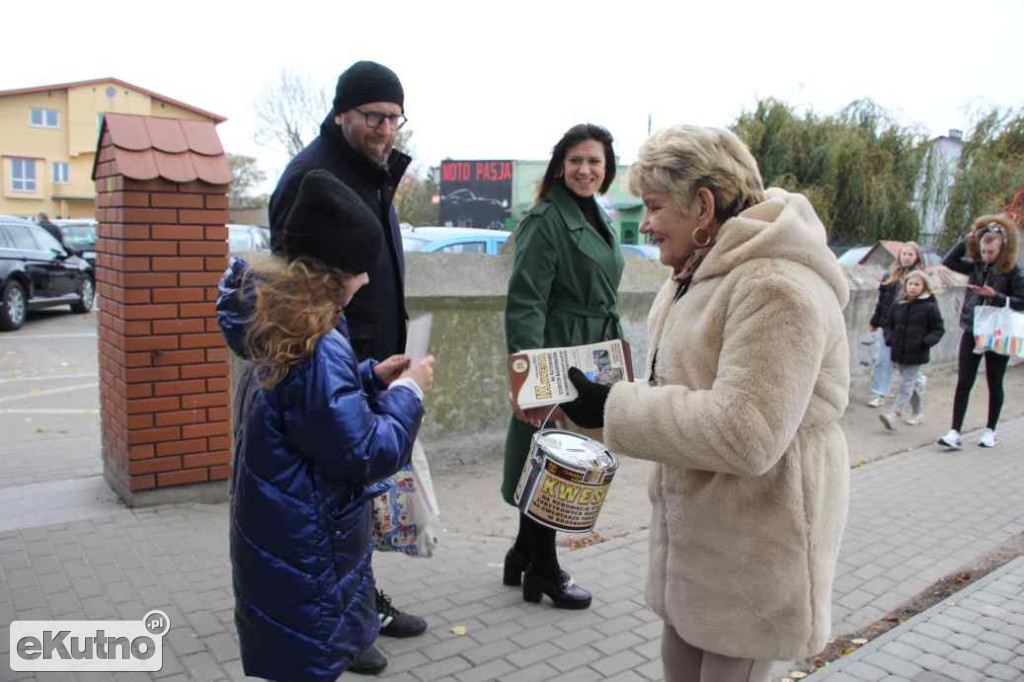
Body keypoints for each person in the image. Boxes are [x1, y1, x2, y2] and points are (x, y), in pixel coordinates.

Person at [561, 125, 850, 682]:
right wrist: (589, 411)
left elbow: (746, 432)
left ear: (704, 206)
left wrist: (614, 409)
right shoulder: (694, 275)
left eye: (653, 207)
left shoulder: (774, 285)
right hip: (700, 546)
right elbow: (681, 395)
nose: (644, 224)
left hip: (754, 549)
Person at [216, 170, 435, 681]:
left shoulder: (285, 322)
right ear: (333, 273)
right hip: (310, 552)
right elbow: (365, 452)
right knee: (307, 665)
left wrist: (370, 378)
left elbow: (308, 411)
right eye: (361, 270)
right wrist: (409, 393)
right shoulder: (317, 342)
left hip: (285, 538)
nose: (366, 282)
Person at [268, 60, 424, 672]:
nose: (386, 129)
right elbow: (288, 291)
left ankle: (357, 607)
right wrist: (345, 362)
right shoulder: (311, 176)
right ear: (342, 114)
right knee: (330, 506)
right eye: (373, 117)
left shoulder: (372, 170)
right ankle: (342, 625)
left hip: (364, 360)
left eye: (394, 117)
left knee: (353, 503)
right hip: (328, 361)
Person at [502, 123, 624, 610]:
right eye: (576, 160)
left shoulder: (598, 213)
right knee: (557, 460)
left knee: (555, 453)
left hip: (592, 352)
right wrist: (528, 379)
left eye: (595, 161)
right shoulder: (547, 218)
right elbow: (525, 302)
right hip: (558, 353)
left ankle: (520, 557)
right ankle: (545, 571)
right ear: (560, 165)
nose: (585, 170)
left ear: (607, 168)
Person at [937, 215, 1024, 449]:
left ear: (1002, 249)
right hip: (973, 328)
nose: (986, 255)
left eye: (991, 252)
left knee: (994, 382)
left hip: (997, 332)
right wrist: (966, 241)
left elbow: (1021, 301)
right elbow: (948, 261)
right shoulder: (977, 265)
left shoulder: (1013, 271)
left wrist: (994, 295)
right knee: (964, 381)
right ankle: (954, 431)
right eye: (984, 250)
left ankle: (990, 430)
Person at [879, 270, 945, 430]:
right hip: (899, 351)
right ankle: (918, 413)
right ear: (905, 285)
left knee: (905, 385)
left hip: (916, 352)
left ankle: (895, 414)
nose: (913, 287)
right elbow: (889, 324)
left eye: (917, 284)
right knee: (912, 384)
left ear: (924, 287)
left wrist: (926, 342)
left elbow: (938, 329)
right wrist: (889, 339)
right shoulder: (899, 304)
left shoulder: (929, 307)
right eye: (910, 284)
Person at [867, 242, 926, 408]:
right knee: (882, 359)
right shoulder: (889, 276)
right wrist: (875, 321)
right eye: (904, 253)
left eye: (910, 254)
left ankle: (919, 380)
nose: (906, 257)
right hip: (889, 325)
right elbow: (882, 302)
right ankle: (879, 393)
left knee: (904, 363)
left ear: (916, 257)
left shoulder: (919, 278)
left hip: (909, 328)